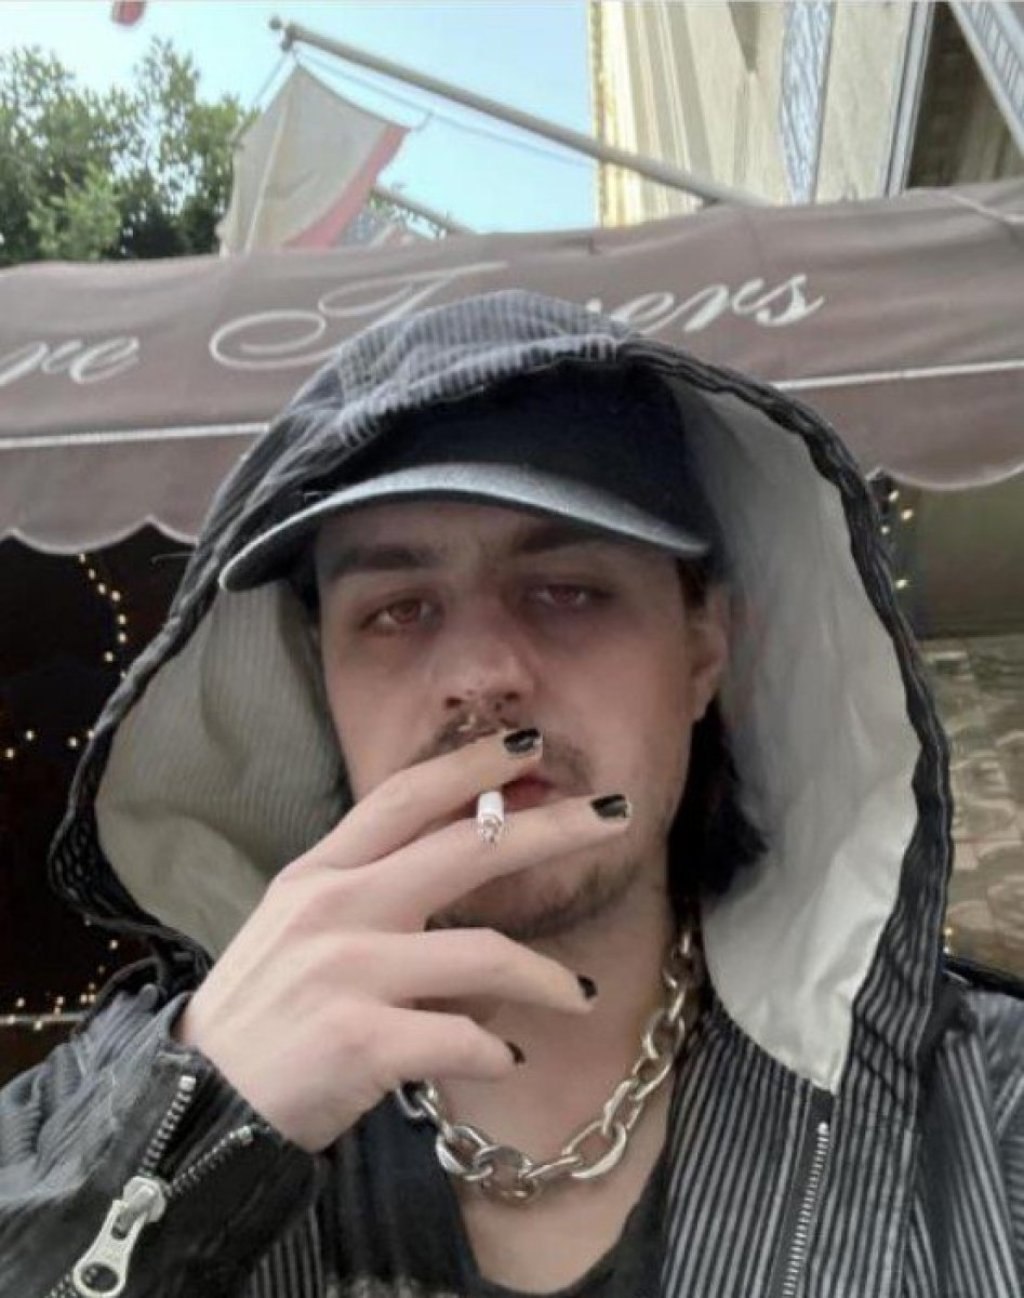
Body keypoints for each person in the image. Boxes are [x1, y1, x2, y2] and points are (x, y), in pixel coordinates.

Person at [1, 290, 1021, 1298]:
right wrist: (188, 1141)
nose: (482, 674)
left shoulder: (988, 1105)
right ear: (323, 680)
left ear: (704, 646)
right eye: (398, 610)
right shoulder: (86, 1113)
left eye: (568, 590)